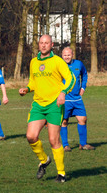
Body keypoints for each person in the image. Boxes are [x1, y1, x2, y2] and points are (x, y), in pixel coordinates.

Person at [19, 35, 76, 183]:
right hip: (38, 104)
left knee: (53, 140)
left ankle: (61, 173)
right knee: (31, 136)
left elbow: (71, 79)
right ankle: (44, 160)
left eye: (46, 43)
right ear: (38, 45)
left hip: (54, 105)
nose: (43, 45)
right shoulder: (33, 62)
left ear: (52, 45)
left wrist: (63, 92)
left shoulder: (57, 61)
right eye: (41, 43)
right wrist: (27, 89)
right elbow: (33, 82)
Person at [60, 47, 95, 151]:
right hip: (65, 99)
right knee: (64, 121)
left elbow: (84, 75)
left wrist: (83, 87)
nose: (67, 57)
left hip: (77, 99)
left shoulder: (79, 64)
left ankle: (83, 144)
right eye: (65, 55)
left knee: (83, 119)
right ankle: (65, 145)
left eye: (69, 55)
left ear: (72, 54)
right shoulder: (59, 65)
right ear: (62, 55)